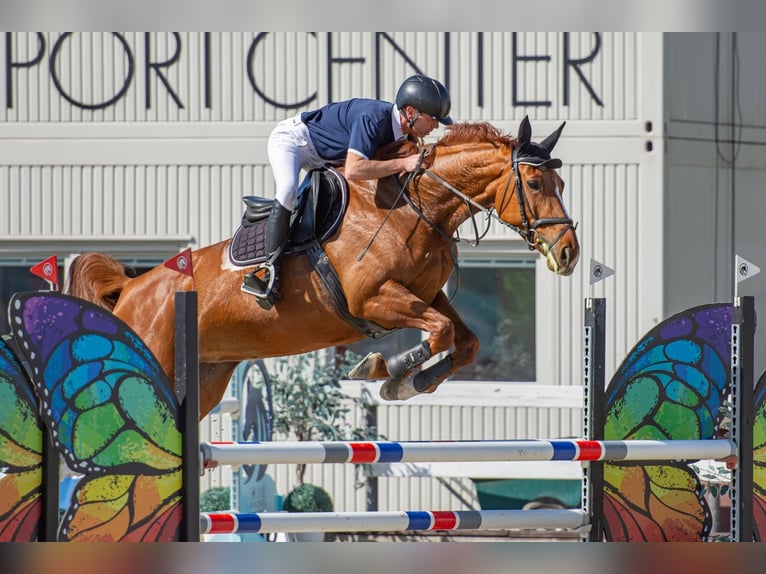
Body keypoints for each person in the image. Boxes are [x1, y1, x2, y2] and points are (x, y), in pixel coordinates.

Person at [241, 74, 453, 309]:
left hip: (327, 157)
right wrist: (404, 164)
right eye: (432, 119)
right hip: (295, 143)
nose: (435, 126)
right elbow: (354, 169)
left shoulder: (406, 133)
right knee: (288, 190)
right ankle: (269, 271)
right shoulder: (373, 117)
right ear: (411, 112)